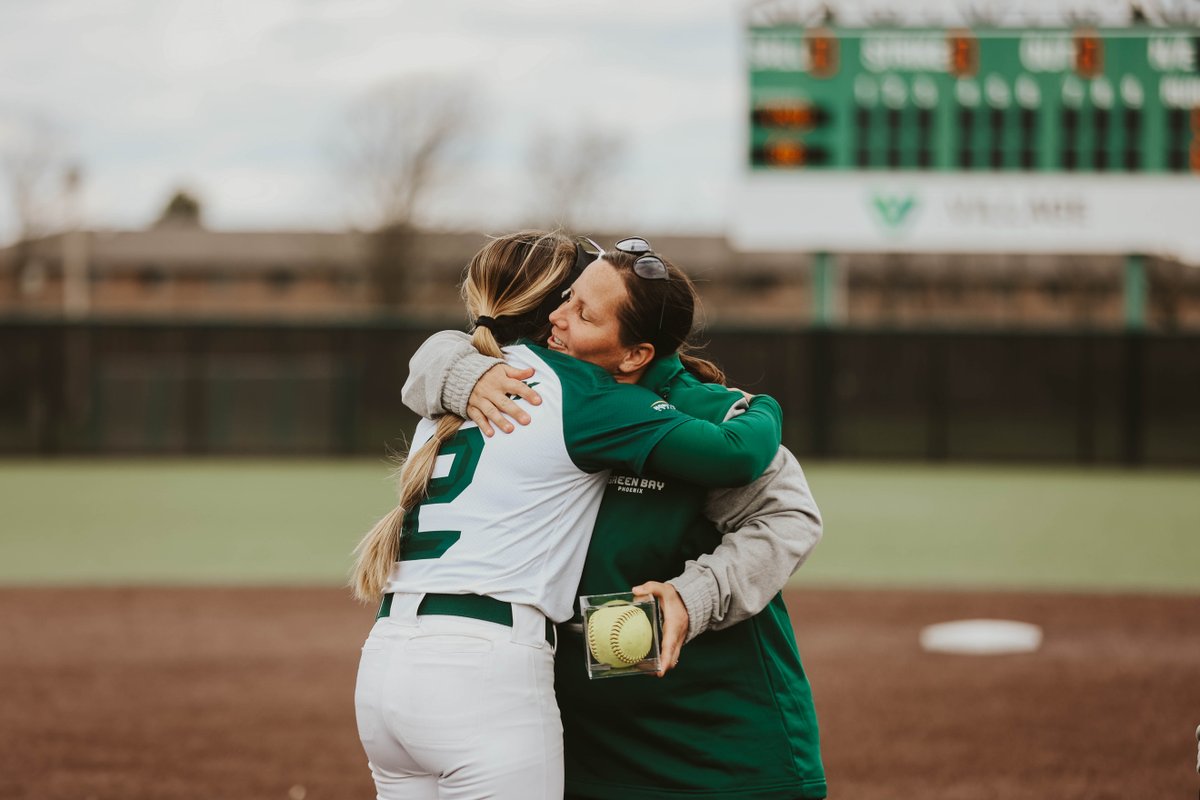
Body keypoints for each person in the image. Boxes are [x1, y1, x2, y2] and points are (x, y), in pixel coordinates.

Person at [351, 231, 785, 800]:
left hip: (385, 661)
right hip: (484, 667)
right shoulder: (580, 391)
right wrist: (766, 406)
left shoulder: (457, 388)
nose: (564, 315)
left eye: (581, 306)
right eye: (568, 299)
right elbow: (735, 453)